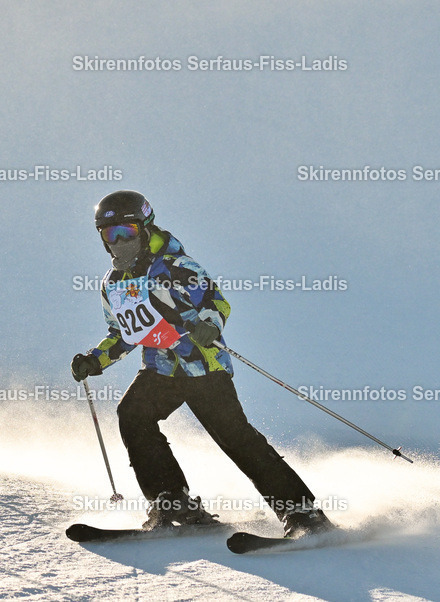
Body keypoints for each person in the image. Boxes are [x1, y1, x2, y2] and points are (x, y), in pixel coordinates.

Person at [71, 190, 335, 536]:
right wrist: (95, 360)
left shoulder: (177, 266)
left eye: (127, 232)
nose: (119, 242)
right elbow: (123, 333)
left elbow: (216, 300)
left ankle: (303, 514)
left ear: (145, 228)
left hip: (202, 367)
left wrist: (209, 324)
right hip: (160, 369)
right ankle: (172, 502)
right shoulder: (114, 284)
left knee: (235, 437)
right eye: (111, 235)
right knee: (133, 415)